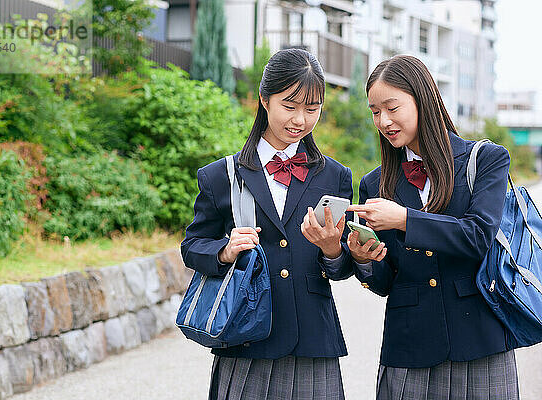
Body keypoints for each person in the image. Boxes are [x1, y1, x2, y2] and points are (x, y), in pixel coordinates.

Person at [181, 48, 355, 399]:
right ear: (264, 100)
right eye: (290, 106)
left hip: (313, 340)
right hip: (245, 337)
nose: (300, 120)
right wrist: (226, 251)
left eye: (312, 109)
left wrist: (333, 249)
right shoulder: (222, 176)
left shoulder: (335, 176)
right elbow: (192, 246)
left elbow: (341, 269)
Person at [346, 55, 518, 399]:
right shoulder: (374, 184)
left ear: (423, 98)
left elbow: (477, 236)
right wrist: (364, 260)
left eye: (392, 107)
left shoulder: (485, 160)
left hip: (480, 344)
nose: (384, 121)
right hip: (409, 349)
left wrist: (404, 219)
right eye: (375, 111)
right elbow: (385, 283)